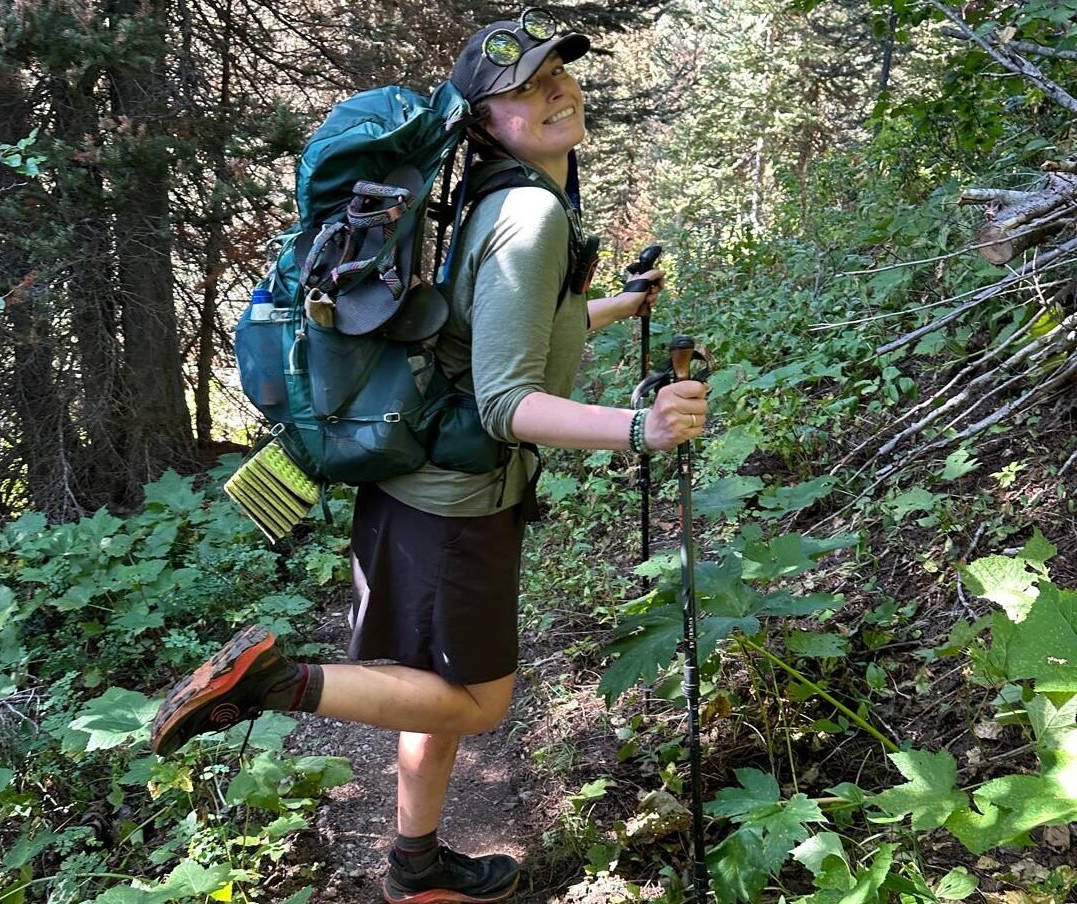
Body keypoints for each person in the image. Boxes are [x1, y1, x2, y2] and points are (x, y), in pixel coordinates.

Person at [150, 9, 709, 903]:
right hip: (459, 503)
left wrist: (612, 309)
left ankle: (416, 865)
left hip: (414, 481)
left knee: (431, 688)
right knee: (479, 702)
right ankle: (271, 684)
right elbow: (506, 402)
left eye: (554, 70)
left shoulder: (493, 194)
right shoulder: (530, 213)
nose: (553, 89)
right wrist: (640, 427)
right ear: (484, 119)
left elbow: (491, 338)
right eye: (522, 88)